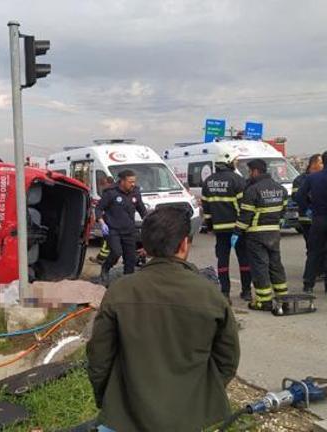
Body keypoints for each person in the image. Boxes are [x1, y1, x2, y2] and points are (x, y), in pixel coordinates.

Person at [86, 206, 240, 430]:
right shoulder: (211, 295)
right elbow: (227, 361)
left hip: (124, 417)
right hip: (187, 418)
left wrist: (108, 401)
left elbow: (99, 358)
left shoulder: (120, 291)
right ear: (184, 244)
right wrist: (199, 397)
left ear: (145, 247)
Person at [232, 159, 288, 311]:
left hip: (256, 235)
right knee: (276, 265)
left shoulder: (252, 190)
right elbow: (283, 212)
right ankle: (283, 297)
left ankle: (264, 301)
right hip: (274, 233)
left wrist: (237, 232)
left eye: (249, 171)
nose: (249, 175)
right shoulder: (281, 189)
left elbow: (245, 216)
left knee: (260, 267)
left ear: (255, 171)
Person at [201, 144, 252, 302]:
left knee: (223, 261)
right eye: (235, 161)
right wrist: (243, 226)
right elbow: (244, 207)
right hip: (237, 229)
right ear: (228, 161)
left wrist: (210, 226)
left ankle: (225, 293)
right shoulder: (238, 180)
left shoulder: (208, 182)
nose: (235, 163)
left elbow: (206, 208)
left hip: (220, 230)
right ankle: (246, 291)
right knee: (244, 260)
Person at [296, 149, 327, 294]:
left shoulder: (312, 178)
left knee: (314, 252)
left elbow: (299, 197)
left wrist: (306, 209)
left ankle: (308, 284)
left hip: (318, 218)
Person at [96, 170, 147, 284]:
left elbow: (142, 210)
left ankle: (127, 283)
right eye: (130, 182)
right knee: (116, 252)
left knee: (130, 259)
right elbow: (98, 208)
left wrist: (149, 221)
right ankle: (105, 267)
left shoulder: (135, 193)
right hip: (113, 230)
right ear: (122, 181)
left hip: (129, 230)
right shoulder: (111, 193)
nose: (133, 184)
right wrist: (102, 222)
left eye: (134, 181)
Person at [292, 154, 322, 245]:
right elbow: (296, 197)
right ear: (313, 164)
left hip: (320, 219)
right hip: (307, 219)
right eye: (321, 163)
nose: (323, 165)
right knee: (312, 247)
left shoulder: (323, 177)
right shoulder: (300, 180)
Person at [90, 176, 116, 265]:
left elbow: (101, 208)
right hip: (110, 221)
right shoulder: (115, 192)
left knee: (107, 243)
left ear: (108, 183)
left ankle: (101, 259)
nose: (101, 187)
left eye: (103, 185)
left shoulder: (109, 193)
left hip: (110, 222)